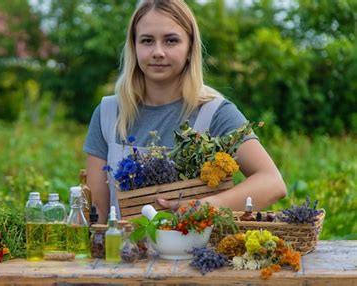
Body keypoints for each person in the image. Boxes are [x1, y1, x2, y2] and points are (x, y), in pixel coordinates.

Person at [83, 0, 286, 223]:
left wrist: (204, 206)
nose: (158, 52)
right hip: (124, 254)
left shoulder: (215, 113)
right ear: (134, 47)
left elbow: (272, 183)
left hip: (194, 254)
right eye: (147, 40)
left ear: (190, 48)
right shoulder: (108, 113)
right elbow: (98, 213)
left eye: (171, 41)